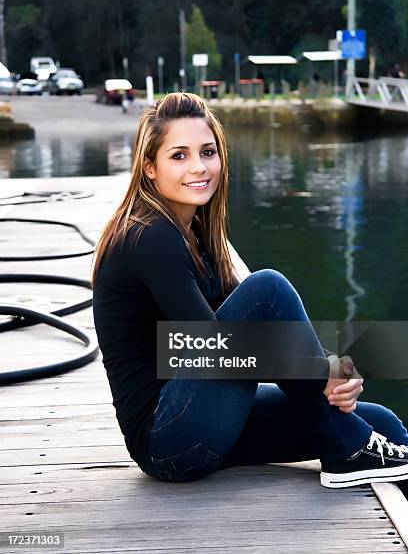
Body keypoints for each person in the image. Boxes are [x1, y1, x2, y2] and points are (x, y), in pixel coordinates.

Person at [91, 92, 408, 487]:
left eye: (208, 152)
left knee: (382, 425)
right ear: (150, 167)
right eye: (179, 156)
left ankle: (348, 448)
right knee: (268, 289)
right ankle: (346, 453)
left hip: (199, 420)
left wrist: (333, 371)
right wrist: (318, 372)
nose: (199, 167)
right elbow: (211, 348)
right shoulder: (149, 235)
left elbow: (263, 336)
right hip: (168, 437)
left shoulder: (197, 236)